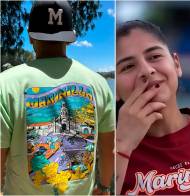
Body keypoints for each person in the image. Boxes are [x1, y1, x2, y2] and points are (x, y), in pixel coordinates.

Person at [0, 1, 114, 194]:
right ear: (70, 39)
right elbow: (109, 149)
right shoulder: (98, 83)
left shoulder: (5, 83)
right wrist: (103, 186)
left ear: (30, 36)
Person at [115, 20, 190, 195]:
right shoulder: (103, 150)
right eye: (128, 66)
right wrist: (122, 146)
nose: (147, 71)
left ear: (176, 64)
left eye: (154, 57)